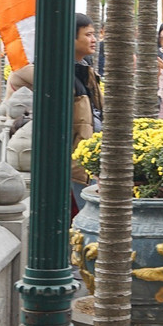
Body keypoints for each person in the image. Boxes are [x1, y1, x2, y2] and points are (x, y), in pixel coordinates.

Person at [73, 13, 103, 211]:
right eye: (88, 35)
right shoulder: (63, 75)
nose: (94, 40)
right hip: (77, 165)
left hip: (93, 158)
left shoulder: (85, 71)